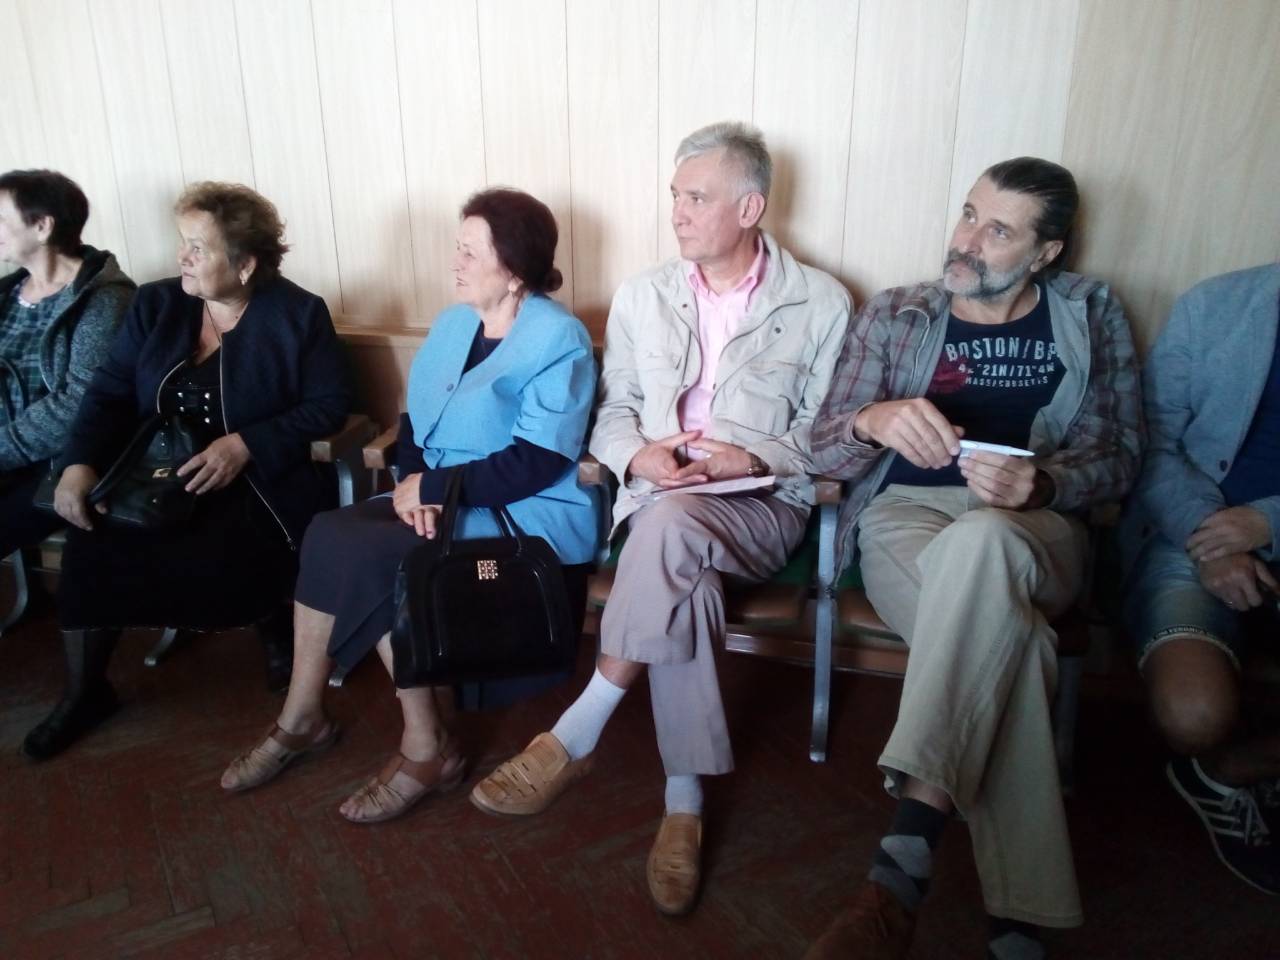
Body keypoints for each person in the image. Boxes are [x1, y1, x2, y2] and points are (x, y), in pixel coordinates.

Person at [470, 122, 851, 916]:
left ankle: (578, 731)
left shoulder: (820, 302)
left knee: (673, 531)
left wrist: (750, 459)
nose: (677, 212)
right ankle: (684, 804)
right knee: (686, 577)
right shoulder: (645, 295)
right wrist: (638, 456)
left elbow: (827, 437)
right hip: (658, 501)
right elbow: (615, 412)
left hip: (760, 505)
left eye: (697, 198)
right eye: (675, 195)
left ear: (750, 208)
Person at [804, 158, 1142, 958]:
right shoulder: (899, 313)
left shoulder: (1089, 313)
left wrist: (1045, 481)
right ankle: (1016, 925)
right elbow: (819, 444)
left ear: (1045, 252)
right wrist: (874, 421)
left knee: (986, 541)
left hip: (1033, 528)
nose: (967, 241)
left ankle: (899, 871)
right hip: (907, 517)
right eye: (967, 214)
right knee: (1015, 642)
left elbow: (1124, 454)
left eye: (998, 230)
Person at [219, 188, 598, 825]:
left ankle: (426, 750)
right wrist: (416, 483)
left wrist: (435, 491)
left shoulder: (559, 338)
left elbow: (538, 460)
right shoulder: (453, 324)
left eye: (470, 251)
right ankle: (302, 715)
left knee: (380, 559)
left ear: (514, 267)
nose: (455, 261)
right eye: (457, 247)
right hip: (436, 497)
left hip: (523, 512)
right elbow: (416, 422)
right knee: (327, 532)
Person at [22, 182, 352, 761]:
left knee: (227, 544)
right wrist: (78, 463)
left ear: (245, 265)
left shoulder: (297, 314)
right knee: (92, 537)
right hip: (154, 476)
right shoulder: (157, 304)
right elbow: (108, 393)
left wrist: (246, 444)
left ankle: (273, 625)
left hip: (254, 481)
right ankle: (85, 692)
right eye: (183, 243)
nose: (183, 257)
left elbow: (328, 405)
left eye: (199, 248)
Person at [1119, 262, 1280, 895]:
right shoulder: (1216, 304)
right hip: (1190, 537)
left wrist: (1266, 523)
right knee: (1194, 715)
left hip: (1254, 527)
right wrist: (1208, 535)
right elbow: (1148, 441)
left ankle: (1238, 769)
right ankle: (1214, 761)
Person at [0, 169, 134, 562]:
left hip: (55, 464)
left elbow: (79, 403)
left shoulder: (104, 299)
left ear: (42, 226)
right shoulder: (7, 292)